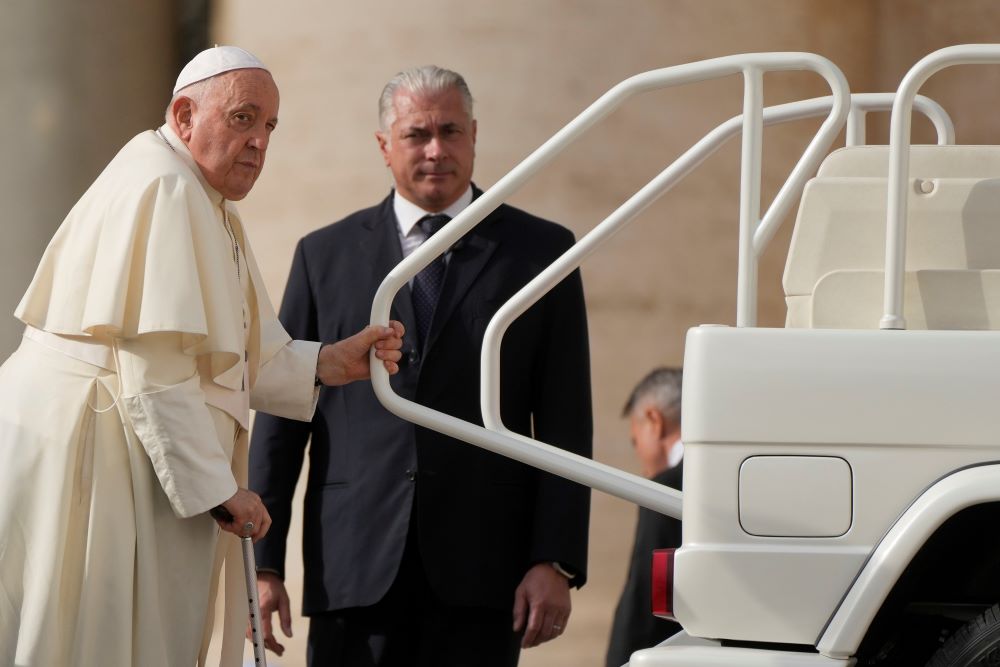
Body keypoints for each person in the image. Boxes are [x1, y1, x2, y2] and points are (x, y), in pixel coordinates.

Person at [0, 46, 403, 667]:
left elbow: (234, 353)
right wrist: (219, 489)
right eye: (243, 118)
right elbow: (156, 368)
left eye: (269, 127)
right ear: (185, 116)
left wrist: (329, 363)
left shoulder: (201, 195)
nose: (260, 142)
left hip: (119, 447)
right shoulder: (163, 187)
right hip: (90, 451)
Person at [249, 65, 593, 667]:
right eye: (417, 135)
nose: (436, 150)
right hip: (353, 565)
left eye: (451, 131)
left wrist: (555, 559)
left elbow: (565, 419)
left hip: (484, 573)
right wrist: (266, 561)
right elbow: (282, 416)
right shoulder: (323, 255)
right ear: (385, 146)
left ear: (475, 135)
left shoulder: (542, 252)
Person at [606, 367, 684, 667]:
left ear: (654, 420)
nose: (641, 464)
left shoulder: (664, 490)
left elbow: (645, 599)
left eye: (635, 442)